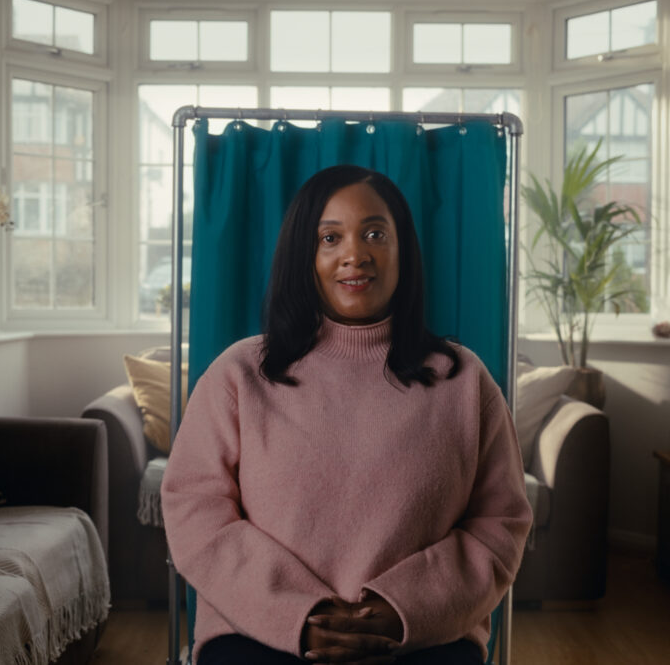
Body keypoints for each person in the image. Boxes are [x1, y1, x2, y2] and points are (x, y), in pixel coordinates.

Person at [161, 164, 533, 665]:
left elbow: (500, 521)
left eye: (375, 233)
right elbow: (195, 510)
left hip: (423, 636)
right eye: (329, 238)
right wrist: (301, 613)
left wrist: (403, 609)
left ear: (404, 251)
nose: (354, 255)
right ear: (304, 256)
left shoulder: (463, 379)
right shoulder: (238, 373)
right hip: (253, 633)